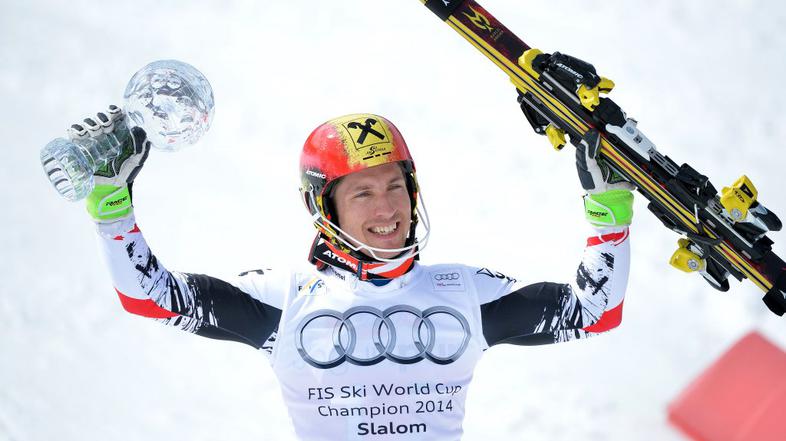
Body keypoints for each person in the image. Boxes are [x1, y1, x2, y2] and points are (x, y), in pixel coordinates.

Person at [77, 108, 634, 440]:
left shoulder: (463, 290)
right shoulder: (284, 296)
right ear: (325, 208)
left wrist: (607, 209)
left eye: (396, 186)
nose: (387, 208)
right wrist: (112, 210)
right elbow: (152, 298)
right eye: (362, 193)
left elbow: (595, 312)